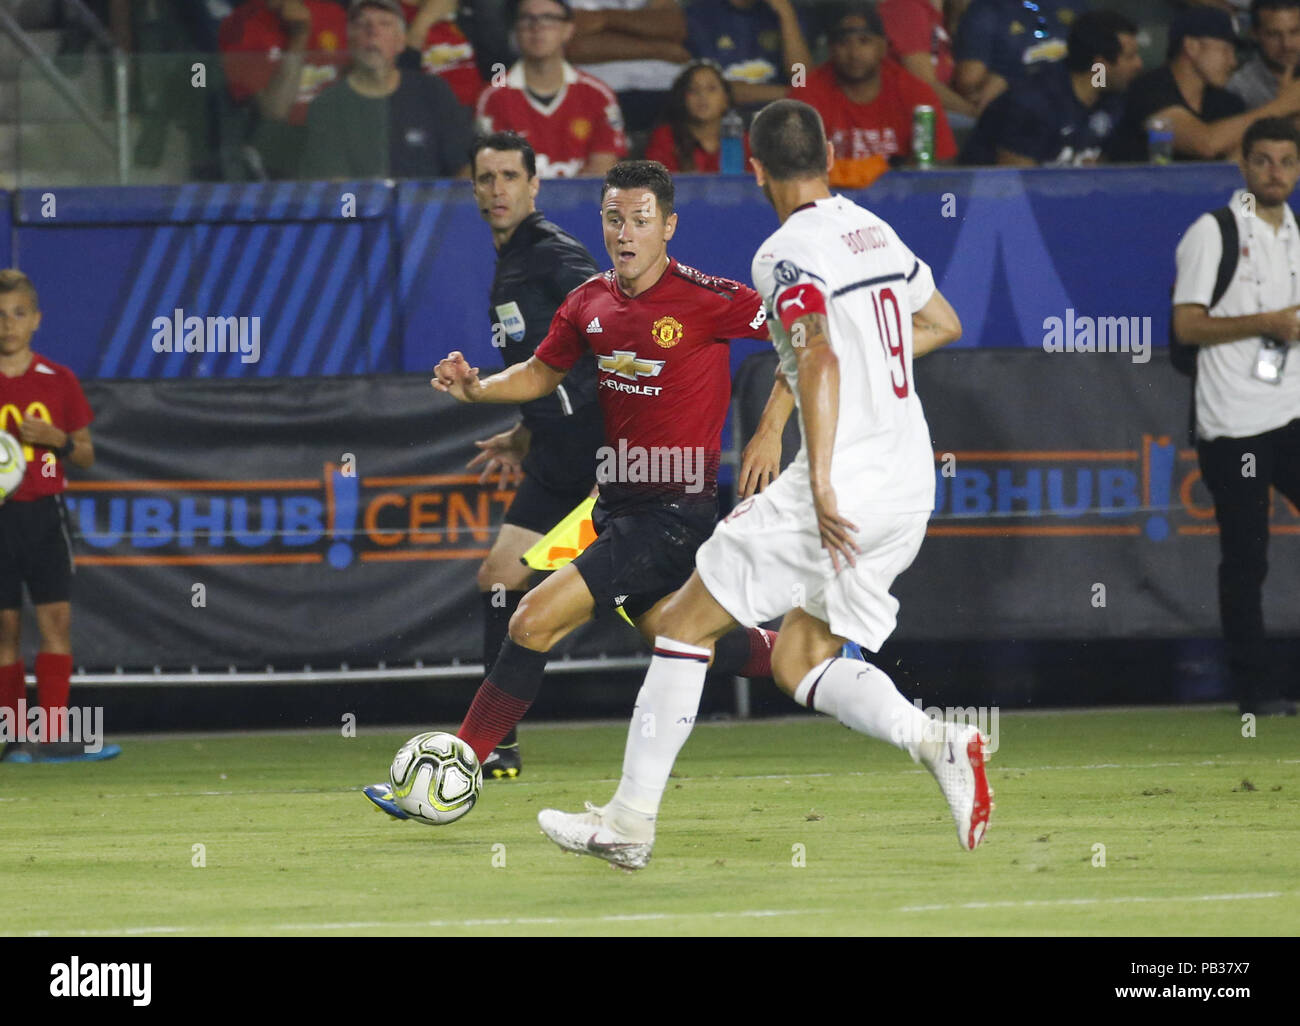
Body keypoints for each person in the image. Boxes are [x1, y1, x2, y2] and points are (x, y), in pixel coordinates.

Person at [537, 99, 984, 870]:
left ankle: (629, 823)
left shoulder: (784, 253)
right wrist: (858, 375)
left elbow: (815, 356)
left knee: (680, 626)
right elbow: (942, 321)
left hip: (841, 485)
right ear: (832, 154)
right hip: (909, 483)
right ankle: (942, 741)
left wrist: (820, 479)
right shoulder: (871, 229)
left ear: (752, 166)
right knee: (799, 660)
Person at [363, 160, 792, 818]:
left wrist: (768, 431)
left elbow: (803, 338)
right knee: (673, 634)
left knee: (532, 618)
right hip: (615, 507)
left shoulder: (707, 299)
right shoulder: (589, 302)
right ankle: (815, 657)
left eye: (641, 221)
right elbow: (539, 372)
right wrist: (480, 386)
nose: (626, 233)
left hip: (673, 513)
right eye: (614, 219)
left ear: (668, 227)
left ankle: (453, 772)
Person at [450, 131, 607, 778]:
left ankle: (807, 661)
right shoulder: (511, 260)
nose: (497, 190)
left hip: (603, 453)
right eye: (486, 179)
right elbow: (546, 362)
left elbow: (608, 318)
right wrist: (527, 430)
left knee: (659, 614)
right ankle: (494, 745)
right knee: (498, 580)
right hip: (553, 454)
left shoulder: (550, 254)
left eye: (510, 177)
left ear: (534, 185)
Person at [1171, 116, 1300, 717]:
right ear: (1243, 166)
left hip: (1291, 411)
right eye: (1265, 160)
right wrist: (1266, 323)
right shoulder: (1214, 231)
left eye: (1287, 161)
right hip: (1233, 422)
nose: (1276, 173)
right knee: (1247, 556)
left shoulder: (1295, 233)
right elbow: (1186, 325)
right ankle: (1255, 691)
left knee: (1251, 556)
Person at [0, 270, 120, 764]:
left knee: (56, 620)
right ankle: (8, 740)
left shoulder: (59, 380)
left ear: (36, 321)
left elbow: (87, 454)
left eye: (18, 314)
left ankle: (50, 737)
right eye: (0, 316)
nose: (8, 325)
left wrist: (58, 441)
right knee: (4, 630)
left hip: (45, 516)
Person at [299, 0, 472, 179]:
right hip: (360, 206)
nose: (372, 31)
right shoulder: (328, 105)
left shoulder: (434, 92)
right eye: (361, 24)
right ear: (349, 41)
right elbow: (335, 185)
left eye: (384, 23)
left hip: (428, 205)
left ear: (401, 41)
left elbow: (464, 170)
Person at [1108, 6, 1300, 162]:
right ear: (1192, 47)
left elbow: (1237, 162)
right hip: (1138, 200)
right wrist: (1283, 105)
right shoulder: (1149, 89)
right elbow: (1205, 143)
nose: (1233, 61)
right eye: (1226, 50)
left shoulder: (1226, 102)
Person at [791, 2, 957, 180]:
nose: (854, 53)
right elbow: (793, 169)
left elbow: (943, 162)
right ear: (830, 48)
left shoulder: (915, 92)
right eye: (843, 42)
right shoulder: (807, 94)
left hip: (900, 198)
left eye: (864, 41)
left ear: (883, 46)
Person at [959, 9, 1141, 166]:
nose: (1139, 64)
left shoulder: (1112, 99)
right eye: (1130, 57)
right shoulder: (1032, 103)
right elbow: (1014, 188)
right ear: (1099, 66)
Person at [475, 0, 628, 178]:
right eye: (527, 19)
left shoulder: (598, 95)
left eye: (548, 18)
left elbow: (601, 172)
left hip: (585, 204)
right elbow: (495, 175)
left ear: (568, 30)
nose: (537, 27)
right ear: (515, 30)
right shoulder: (494, 96)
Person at [219, 0, 352, 178]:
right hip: (276, 155)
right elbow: (275, 111)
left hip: (336, 146)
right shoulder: (240, 25)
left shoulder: (334, 14)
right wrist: (299, 35)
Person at [567, 0, 692, 132]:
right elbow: (576, 48)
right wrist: (662, 50)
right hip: (602, 96)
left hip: (667, 90)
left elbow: (674, 26)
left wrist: (604, 19)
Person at [951, 0, 1086, 113]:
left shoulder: (1077, 7)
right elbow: (969, 81)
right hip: (1014, 114)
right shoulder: (987, 9)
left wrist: (1010, 80)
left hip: (1072, 107)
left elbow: (1099, 72)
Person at [684, 0, 815, 108]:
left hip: (781, 118)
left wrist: (786, 15)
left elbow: (802, 79)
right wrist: (791, 94)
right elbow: (712, 90)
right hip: (724, 123)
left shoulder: (789, 13)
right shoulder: (699, 15)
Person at [643, 60, 753, 172]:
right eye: (693, 89)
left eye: (711, 89)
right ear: (683, 99)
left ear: (726, 99)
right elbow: (658, 184)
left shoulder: (745, 142)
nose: (702, 96)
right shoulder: (665, 138)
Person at [879, 0, 977, 120]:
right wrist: (974, 112)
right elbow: (924, 86)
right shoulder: (907, 8)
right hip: (906, 117)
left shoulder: (936, 14)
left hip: (933, 111)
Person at [397, 0, 487, 108]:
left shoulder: (470, 9)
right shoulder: (387, 14)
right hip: (430, 111)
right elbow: (397, 82)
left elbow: (498, 63)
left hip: (484, 109)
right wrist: (424, 21)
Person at [1227, 0, 1300, 110]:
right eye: (1273, 35)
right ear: (1255, 34)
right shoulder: (1239, 89)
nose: (1287, 44)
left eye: (1295, 32)